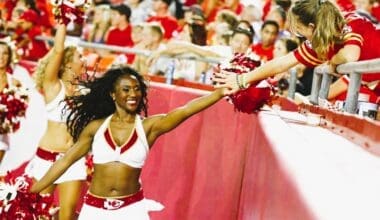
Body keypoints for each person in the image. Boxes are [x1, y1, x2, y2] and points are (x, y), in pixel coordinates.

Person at [30, 65, 227, 219]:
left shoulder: (149, 127)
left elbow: (185, 110)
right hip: (94, 210)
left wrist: (219, 93)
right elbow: (65, 161)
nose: (133, 94)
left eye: (136, 89)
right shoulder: (96, 127)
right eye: (126, 89)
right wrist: (31, 192)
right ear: (113, 95)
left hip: (131, 210)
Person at [213, 0, 380, 102]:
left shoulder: (348, 22)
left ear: (312, 27)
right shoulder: (318, 41)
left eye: (299, 30)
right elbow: (281, 63)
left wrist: (333, 62)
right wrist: (243, 79)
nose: (298, 35)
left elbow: (350, 55)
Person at [25, 23, 87, 220]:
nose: (84, 60)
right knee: (37, 212)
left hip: (73, 160)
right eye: (80, 56)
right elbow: (58, 49)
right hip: (47, 159)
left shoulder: (86, 93)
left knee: (67, 216)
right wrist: (63, 21)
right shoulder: (53, 86)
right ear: (68, 63)